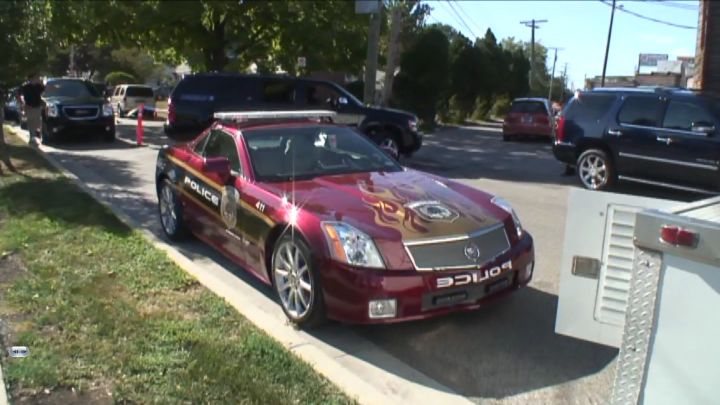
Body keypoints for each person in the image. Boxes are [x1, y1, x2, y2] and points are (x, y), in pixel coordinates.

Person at [17, 73, 45, 146]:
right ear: (31, 79)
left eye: (37, 78)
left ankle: (38, 136)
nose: (37, 79)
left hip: (37, 106)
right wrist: (22, 103)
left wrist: (41, 82)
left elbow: (44, 91)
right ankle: (32, 137)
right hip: (28, 106)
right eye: (36, 78)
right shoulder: (25, 87)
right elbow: (19, 94)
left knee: (38, 122)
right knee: (30, 122)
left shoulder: (39, 86)